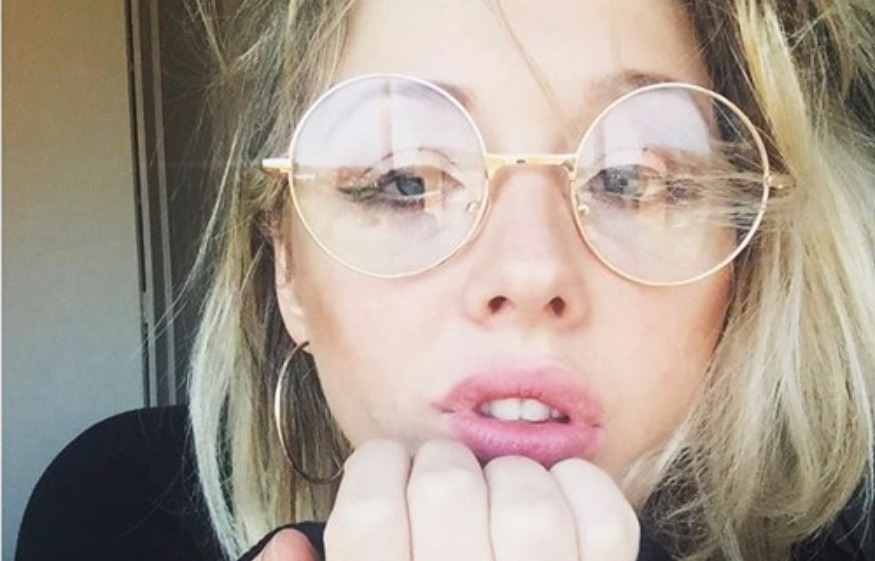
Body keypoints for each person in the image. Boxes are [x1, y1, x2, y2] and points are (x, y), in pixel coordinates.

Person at [15, 0, 875, 560]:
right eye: (403, 180)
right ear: (288, 271)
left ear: (742, 258)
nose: (530, 270)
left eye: (629, 177)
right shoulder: (109, 512)